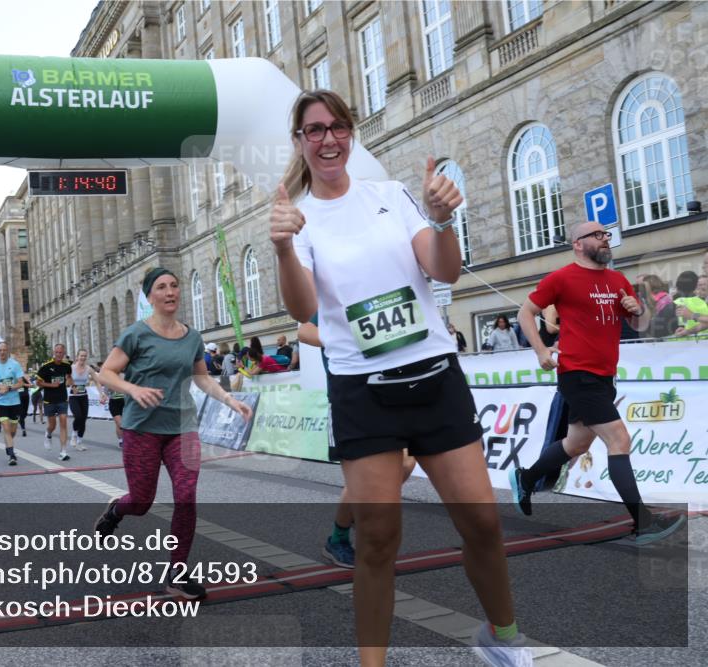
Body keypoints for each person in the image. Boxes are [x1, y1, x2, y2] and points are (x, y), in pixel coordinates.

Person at [270, 90, 528, 666]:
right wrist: (285, 248)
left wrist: (443, 220)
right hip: (364, 392)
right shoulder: (300, 217)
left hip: (434, 376)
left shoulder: (390, 196)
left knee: (483, 522)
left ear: (352, 132)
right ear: (300, 141)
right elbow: (302, 308)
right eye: (315, 130)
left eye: (337, 127)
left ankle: (502, 639)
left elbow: (443, 268)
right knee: (378, 542)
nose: (328, 139)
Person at [511, 221, 686, 546]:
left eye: (606, 235)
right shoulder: (561, 278)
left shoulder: (617, 280)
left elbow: (642, 323)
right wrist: (540, 352)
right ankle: (642, 522)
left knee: (576, 444)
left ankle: (527, 477)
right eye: (598, 235)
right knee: (619, 440)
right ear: (578, 243)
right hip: (577, 374)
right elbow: (525, 313)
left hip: (605, 375)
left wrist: (637, 311)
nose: (605, 240)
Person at [95, 268, 253, 600]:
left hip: (183, 428)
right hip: (142, 429)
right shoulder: (136, 334)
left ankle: (177, 574)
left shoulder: (192, 337)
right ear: (150, 296)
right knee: (140, 502)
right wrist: (133, 389)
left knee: (186, 496)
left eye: (174, 286)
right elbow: (107, 373)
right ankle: (115, 511)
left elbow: (202, 378)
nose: (170, 292)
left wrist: (229, 399)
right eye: (162, 287)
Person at [299, 316, 414, 570]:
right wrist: (349, 339)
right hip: (351, 397)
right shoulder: (333, 284)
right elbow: (305, 331)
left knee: (405, 464)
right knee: (362, 479)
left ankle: (364, 515)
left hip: (393, 391)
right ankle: (338, 538)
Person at [0, 341, 25, 466]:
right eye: (0, 350)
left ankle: (8, 444)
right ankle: (12, 455)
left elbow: (20, 383)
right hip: (1, 402)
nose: (2, 352)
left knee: (12, 431)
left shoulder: (15, 365)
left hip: (14, 401)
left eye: (4, 350)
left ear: (7, 351)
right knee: (6, 428)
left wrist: (8, 388)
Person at [38, 343, 74, 461]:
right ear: (54, 353)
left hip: (62, 399)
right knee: (52, 425)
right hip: (49, 400)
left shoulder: (66, 365)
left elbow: (69, 376)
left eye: (61, 353)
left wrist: (71, 383)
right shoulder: (46, 367)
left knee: (63, 422)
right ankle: (48, 434)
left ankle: (63, 451)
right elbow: (38, 383)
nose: (59, 354)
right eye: (57, 352)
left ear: (64, 353)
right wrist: (51, 385)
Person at [68, 348, 100, 451]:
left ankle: (79, 442)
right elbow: (67, 380)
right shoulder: (71, 368)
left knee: (83, 419)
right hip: (73, 396)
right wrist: (73, 386)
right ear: (77, 357)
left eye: (85, 356)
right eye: (81, 355)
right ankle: (73, 435)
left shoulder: (89, 369)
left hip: (83, 396)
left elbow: (97, 381)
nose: (83, 357)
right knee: (78, 416)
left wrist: (101, 393)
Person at [672, 270, 708, 338]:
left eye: (704, 284)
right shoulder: (701, 302)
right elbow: (705, 325)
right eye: (699, 284)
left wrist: (692, 315)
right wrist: (687, 331)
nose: (701, 287)